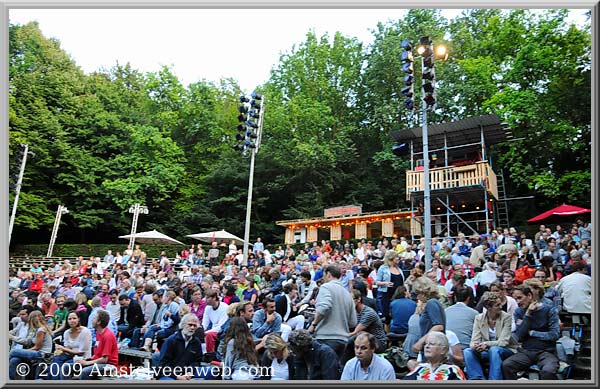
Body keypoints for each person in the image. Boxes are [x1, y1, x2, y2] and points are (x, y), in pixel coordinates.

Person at [502, 284, 560, 380]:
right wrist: (528, 314)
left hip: (546, 352)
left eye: (520, 298)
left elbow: (554, 335)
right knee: (507, 365)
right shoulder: (519, 311)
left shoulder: (549, 309)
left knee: (548, 371)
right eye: (515, 299)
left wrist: (532, 333)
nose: (518, 302)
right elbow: (519, 336)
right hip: (526, 351)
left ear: (529, 296)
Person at [463, 292, 518, 380]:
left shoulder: (506, 317)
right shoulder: (479, 318)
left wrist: (486, 344)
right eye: (497, 305)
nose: (501, 307)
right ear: (488, 307)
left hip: (506, 349)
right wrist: (476, 346)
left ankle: (494, 381)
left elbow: (503, 342)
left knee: (494, 349)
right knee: (468, 351)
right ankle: (477, 379)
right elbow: (474, 340)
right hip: (487, 350)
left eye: (501, 304)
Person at [310, 263, 357, 359]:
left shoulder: (325, 287)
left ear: (328, 274)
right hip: (343, 340)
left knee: (323, 371)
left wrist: (313, 324)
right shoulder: (347, 293)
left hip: (326, 337)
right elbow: (353, 322)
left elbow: (324, 307)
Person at [156, 313, 204, 380]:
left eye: (194, 326)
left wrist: (190, 372)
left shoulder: (196, 342)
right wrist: (177, 377)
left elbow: (197, 361)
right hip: (169, 374)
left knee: (211, 371)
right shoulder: (171, 340)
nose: (192, 327)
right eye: (190, 325)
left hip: (187, 373)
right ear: (183, 325)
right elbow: (163, 364)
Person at [344, 290, 387, 363]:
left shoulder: (368, 313)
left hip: (379, 343)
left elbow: (355, 332)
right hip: (364, 340)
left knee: (358, 335)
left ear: (358, 299)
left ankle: (343, 366)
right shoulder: (353, 312)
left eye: (350, 300)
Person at [9, 311, 53, 380]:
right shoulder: (35, 330)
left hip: (42, 354)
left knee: (14, 352)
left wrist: (23, 351)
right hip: (36, 352)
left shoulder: (41, 330)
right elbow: (28, 341)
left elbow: (37, 347)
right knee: (14, 360)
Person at [76, 309, 118, 380]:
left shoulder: (107, 336)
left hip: (108, 365)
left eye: (94, 318)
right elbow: (98, 353)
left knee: (85, 372)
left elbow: (105, 359)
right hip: (98, 362)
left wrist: (87, 363)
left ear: (99, 322)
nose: (92, 320)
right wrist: (88, 359)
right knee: (68, 367)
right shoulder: (98, 333)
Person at [50, 311, 93, 379]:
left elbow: (81, 353)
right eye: (69, 319)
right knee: (56, 360)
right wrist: (60, 350)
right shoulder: (67, 332)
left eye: (74, 318)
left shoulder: (85, 332)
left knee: (65, 365)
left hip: (82, 358)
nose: (72, 321)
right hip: (70, 356)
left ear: (78, 319)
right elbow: (68, 349)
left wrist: (63, 348)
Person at [410, 277, 446, 356]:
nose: (417, 297)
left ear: (423, 292)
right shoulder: (434, 303)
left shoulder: (431, 303)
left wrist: (421, 342)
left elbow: (438, 326)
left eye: (417, 294)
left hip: (433, 349)